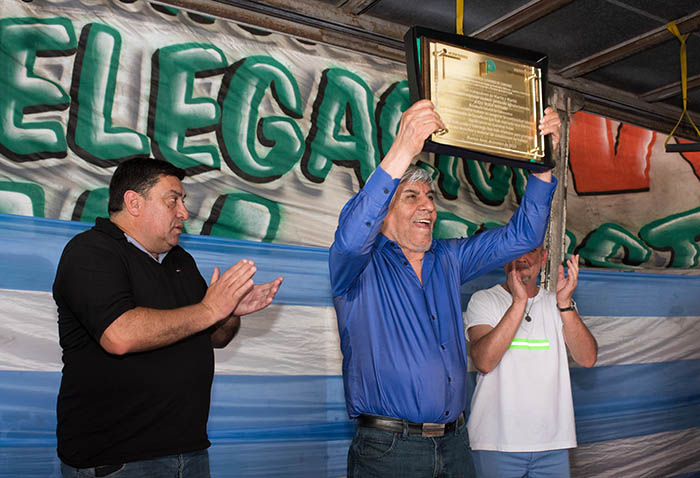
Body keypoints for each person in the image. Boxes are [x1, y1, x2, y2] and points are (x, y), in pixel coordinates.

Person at [329, 99, 561, 478]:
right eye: (412, 196)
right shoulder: (358, 266)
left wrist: (543, 166)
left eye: (430, 197)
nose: (428, 207)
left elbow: (524, 236)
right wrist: (404, 149)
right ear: (384, 212)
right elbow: (353, 232)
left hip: (455, 445)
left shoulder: (448, 258)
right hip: (389, 450)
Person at [53, 158, 283, 477]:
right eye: (173, 200)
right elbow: (119, 335)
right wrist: (209, 309)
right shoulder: (90, 251)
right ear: (134, 202)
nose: (184, 213)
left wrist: (227, 312)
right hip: (118, 460)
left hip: (189, 452)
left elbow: (215, 336)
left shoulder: (180, 261)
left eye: (183, 201)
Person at [464, 248, 598, 478]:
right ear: (505, 257)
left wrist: (565, 303)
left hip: (552, 444)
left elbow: (587, 358)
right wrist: (519, 302)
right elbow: (484, 361)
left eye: (530, 250)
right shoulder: (484, 299)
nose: (522, 258)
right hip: (495, 443)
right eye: (516, 250)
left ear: (543, 257)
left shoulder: (559, 303)